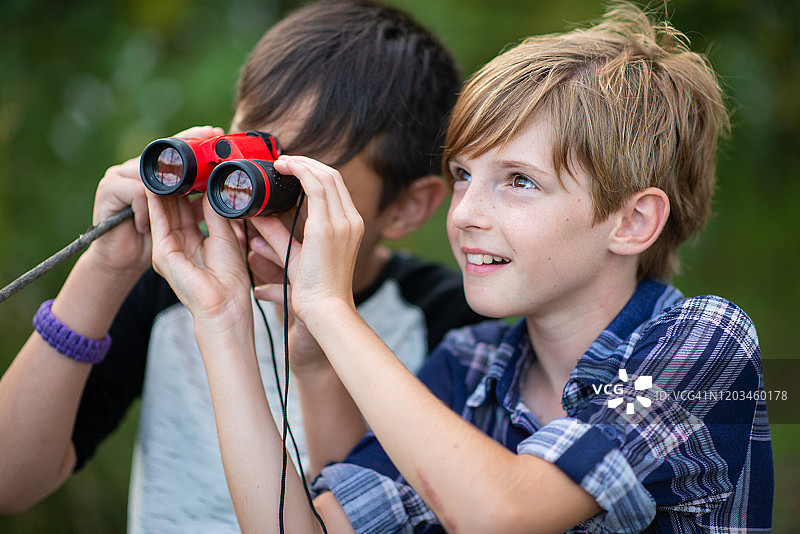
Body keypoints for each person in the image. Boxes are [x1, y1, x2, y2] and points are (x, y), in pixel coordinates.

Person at [147, 2, 774, 532]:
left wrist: (331, 310)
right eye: (463, 175)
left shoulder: (704, 344)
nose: (466, 212)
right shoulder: (469, 365)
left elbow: (503, 512)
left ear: (632, 222)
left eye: (519, 182)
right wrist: (221, 316)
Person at [0, 1, 485, 532]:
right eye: (245, 160)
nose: (249, 198)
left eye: (289, 182)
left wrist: (323, 342)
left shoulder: (448, 322)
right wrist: (106, 267)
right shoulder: (173, 283)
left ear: (407, 207)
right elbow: (9, 482)